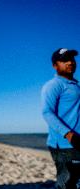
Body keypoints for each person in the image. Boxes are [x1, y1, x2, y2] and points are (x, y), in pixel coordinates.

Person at [41, 48, 80, 189]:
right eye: (64, 60)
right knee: (67, 183)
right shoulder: (53, 85)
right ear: (55, 66)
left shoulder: (76, 85)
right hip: (65, 145)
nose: (70, 62)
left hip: (77, 142)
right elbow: (47, 112)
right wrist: (69, 135)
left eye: (72, 59)